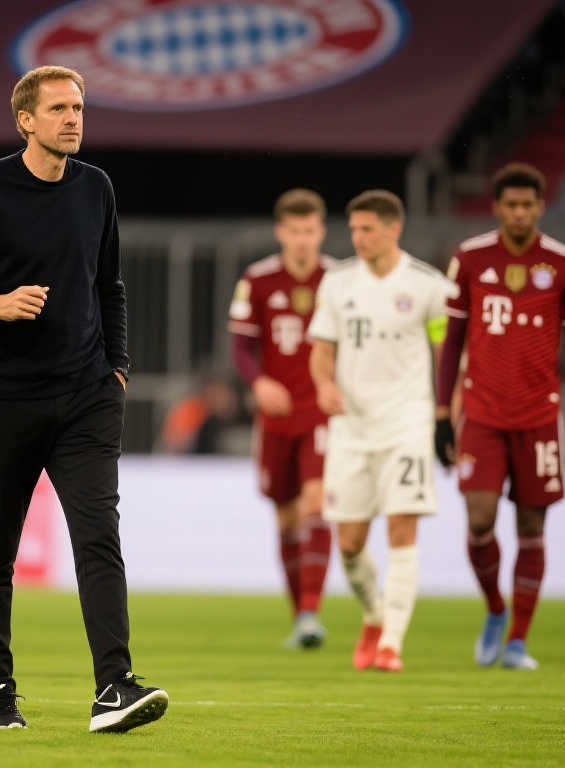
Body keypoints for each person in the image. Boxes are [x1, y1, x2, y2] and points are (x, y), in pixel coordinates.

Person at [0, 65, 168, 733]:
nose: (73, 118)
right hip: (5, 397)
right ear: (25, 120)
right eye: (58, 109)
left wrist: (118, 367)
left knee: (99, 536)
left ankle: (114, 686)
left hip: (87, 396)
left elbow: (109, 284)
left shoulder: (95, 187)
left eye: (78, 107)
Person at [435, 163, 565, 670]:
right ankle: (495, 610)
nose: (520, 213)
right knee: (480, 519)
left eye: (528, 205)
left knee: (531, 525)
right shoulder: (470, 258)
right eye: (512, 205)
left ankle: (519, 641)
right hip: (482, 414)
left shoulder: (564, 264)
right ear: (497, 207)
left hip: (539, 416)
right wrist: (441, 413)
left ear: (541, 207)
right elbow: (452, 341)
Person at [308, 189, 454, 672]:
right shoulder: (337, 283)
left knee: (401, 528)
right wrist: (324, 385)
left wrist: (448, 412)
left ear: (394, 228)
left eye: (367, 229)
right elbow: (321, 351)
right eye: (354, 228)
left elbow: (446, 354)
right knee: (349, 544)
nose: (358, 237)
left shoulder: (428, 286)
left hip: (407, 422)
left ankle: (391, 642)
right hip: (351, 426)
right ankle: (374, 615)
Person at [228, 188, 335, 649]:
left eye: (309, 230)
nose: (302, 239)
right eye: (294, 231)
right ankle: (300, 617)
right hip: (276, 418)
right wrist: (259, 384)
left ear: (321, 231)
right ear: (281, 232)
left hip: (320, 413)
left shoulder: (338, 280)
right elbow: (240, 347)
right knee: (287, 518)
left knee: (317, 504)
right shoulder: (258, 279)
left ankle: (311, 612)